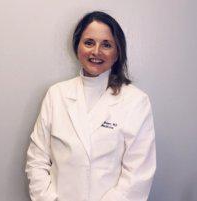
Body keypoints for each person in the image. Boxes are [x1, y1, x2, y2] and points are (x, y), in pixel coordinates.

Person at [25, 11, 156, 201]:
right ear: (77, 46)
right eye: (89, 42)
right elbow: (37, 160)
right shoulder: (56, 94)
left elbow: (138, 175)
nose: (96, 51)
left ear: (118, 52)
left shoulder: (136, 101)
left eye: (106, 45)